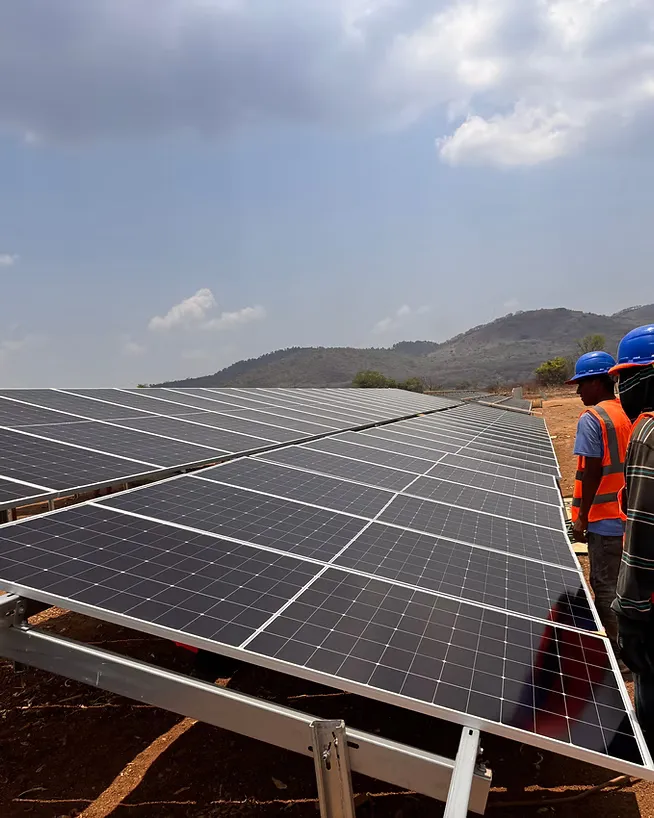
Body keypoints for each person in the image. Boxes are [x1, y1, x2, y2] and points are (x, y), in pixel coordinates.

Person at [566, 351, 632, 652]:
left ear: (598, 383)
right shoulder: (626, 412)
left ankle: (622, 654)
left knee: (605, 586)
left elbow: (592, 470)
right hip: (627, 516)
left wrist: (581, 518)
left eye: (582, 384)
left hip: (603, 520)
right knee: (628, 583)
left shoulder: (592, 419)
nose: (578, 391)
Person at [608, 324, 654, 749]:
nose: (621, 386)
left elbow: (642, 537)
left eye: (625, 376)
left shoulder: (649, 433)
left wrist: (630, 614)